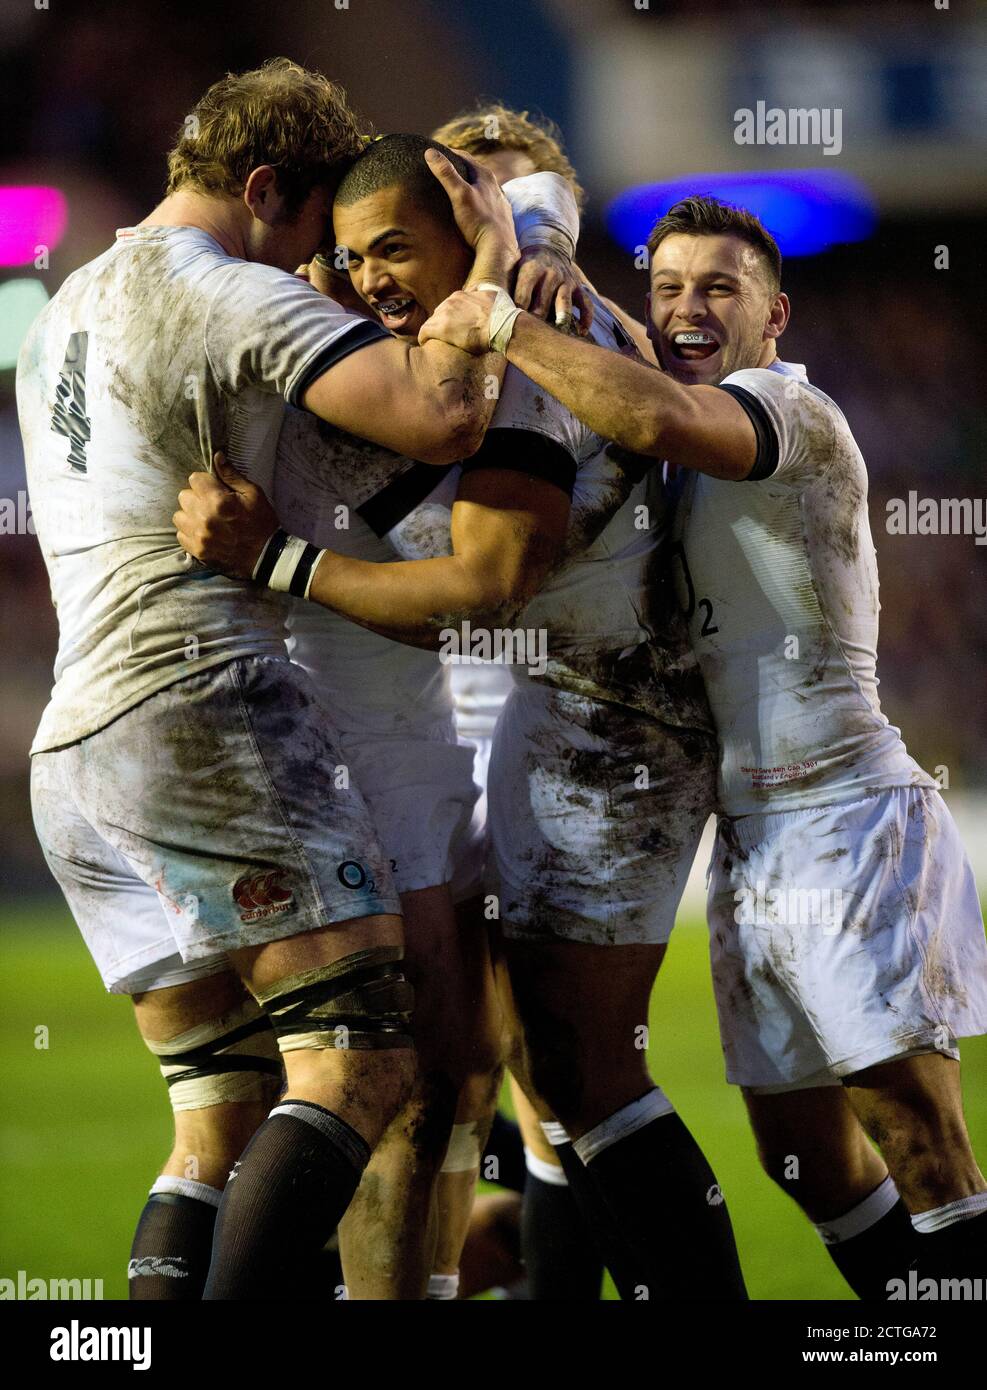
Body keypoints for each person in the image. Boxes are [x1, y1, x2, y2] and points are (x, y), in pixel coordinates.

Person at [175, 145, 749, 1305]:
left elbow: (484, 583)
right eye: (360, 249)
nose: (374, 272)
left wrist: (518, 255)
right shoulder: (376, 335)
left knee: (537, 1071)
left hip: (597, 725)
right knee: (466, 1073)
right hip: (434, 729)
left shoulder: (540, 332)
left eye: (411, 240)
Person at [418, 191, 987, 1297]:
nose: (687, 307)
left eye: (720, 288)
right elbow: (643, 392)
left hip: (846, 815)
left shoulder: (789, 412)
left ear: (778, 314)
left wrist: (503, 315)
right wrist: (559, 274)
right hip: (754, 842)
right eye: (668, 287)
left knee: (921, 1144)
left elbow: (659, 417)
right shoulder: (681, 418)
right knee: (808, 1161)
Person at [18, 58, 521, 1302]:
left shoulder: (68, 300)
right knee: (361, 1064)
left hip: (75, 744)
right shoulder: (223, 290)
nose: (338, 271)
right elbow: (442, 413)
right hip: (198, 708)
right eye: (324, 232)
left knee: (219, 1121)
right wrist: (497, 259)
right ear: (261, 189)